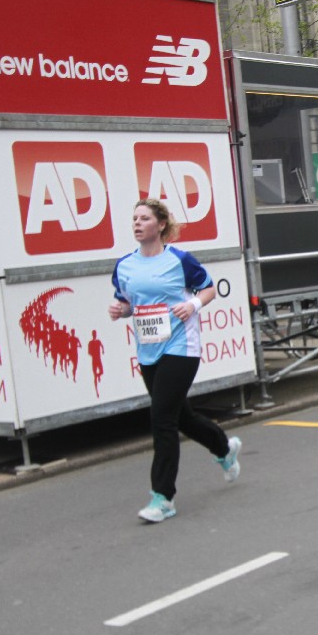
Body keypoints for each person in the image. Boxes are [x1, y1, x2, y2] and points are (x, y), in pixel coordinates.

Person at [109, 198, 242, 523]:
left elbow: (208, 289)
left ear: (161, 225)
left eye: (144, 218)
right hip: (148, 351)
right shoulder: (125, 266)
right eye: (135, 218)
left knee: (161, 420)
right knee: (181, 417)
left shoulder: (180, 260)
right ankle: (224, 448)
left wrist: (192, 305)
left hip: (181, 347)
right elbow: (128, 303)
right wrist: (120, 310)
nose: (137, 223)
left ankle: (163, 498)